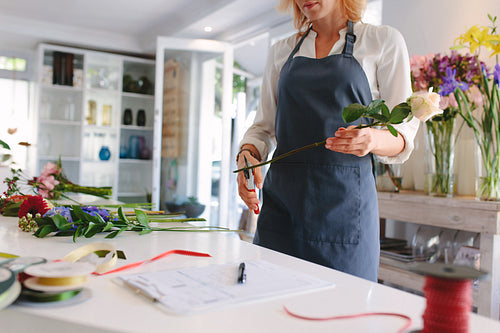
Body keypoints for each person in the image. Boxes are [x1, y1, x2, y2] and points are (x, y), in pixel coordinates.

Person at [236, 0, 419, 281]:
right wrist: (247, 156)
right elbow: (262, 129)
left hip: (345, 217)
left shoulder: (382, 41)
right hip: (281, 214)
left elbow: (404, 136)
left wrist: (371, 139)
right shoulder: (282, 51)